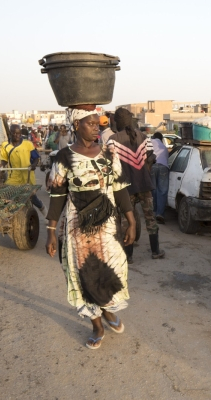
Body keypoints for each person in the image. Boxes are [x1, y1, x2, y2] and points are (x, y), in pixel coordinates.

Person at [45, 107, 136, 350]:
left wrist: (132, 221)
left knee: (110, 268)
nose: (97, 127)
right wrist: (51, 231)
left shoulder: (108, 153)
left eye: (99, 123)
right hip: (77, 227)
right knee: (82, 273)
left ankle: (106, 310)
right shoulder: (64, 157)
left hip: (106, 225)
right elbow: (57, 195)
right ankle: (96, 324)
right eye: (91, 123)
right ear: (76, 125)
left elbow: (119, 188)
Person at [109, 108, 165, 262]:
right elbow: (150, 160)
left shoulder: (113, 140)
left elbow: (110, 164)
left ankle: (128, 256)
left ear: (117, 122)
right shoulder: (144, 137)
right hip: (144, 185)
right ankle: (155, 251)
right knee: (150, 218)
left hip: (125, 188)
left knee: (127, 220)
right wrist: (142, 174)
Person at [0, 124, 45, 214]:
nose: (17, 135)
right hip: (14, 175)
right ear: (10, 133)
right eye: (15, 133)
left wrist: (34, 165)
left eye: (19, 133)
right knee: (9, 194)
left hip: (27, 175)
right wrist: (1, 165)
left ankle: (44, 211)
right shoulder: (5, 145)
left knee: (31, 196)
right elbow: (4, 160)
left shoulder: (28, 144)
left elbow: (36, 158)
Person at [150, 132, 169, 224]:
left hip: (152, 166)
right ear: (161, 139)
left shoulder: (150, 141)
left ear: (153, 136)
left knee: (153, 189)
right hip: (163, 167)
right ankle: (159, 213)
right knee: (162, 191)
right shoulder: (164, 147)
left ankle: (153, 211)